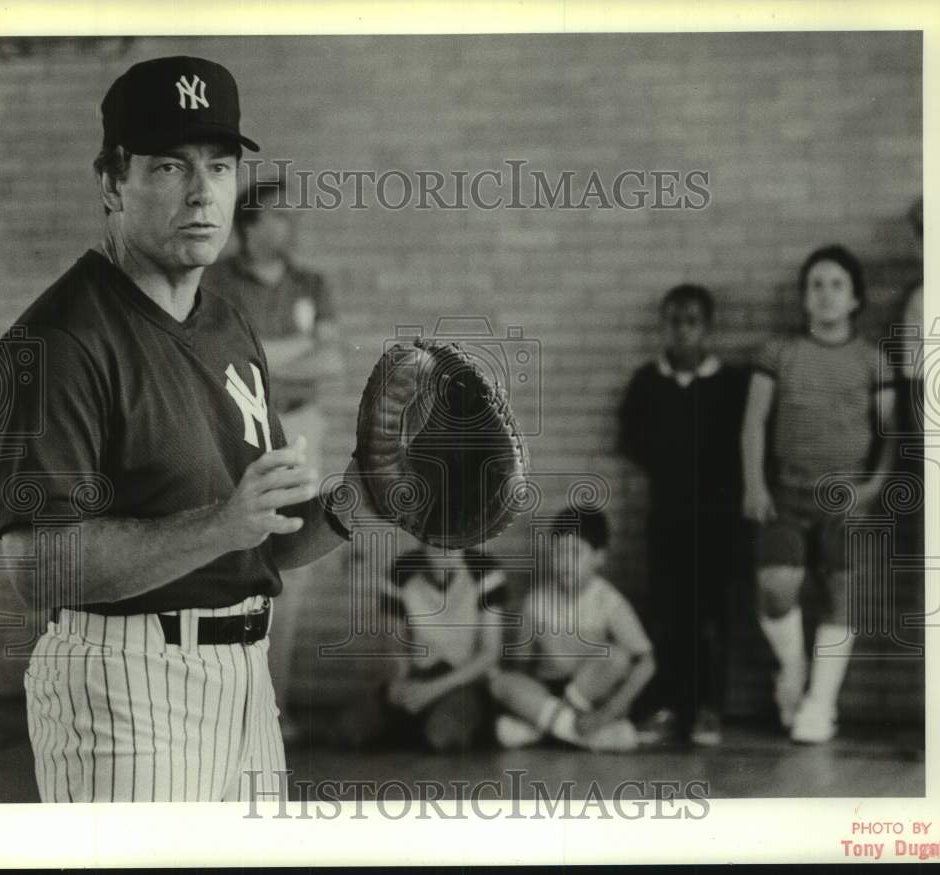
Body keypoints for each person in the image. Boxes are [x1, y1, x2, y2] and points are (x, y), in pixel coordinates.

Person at [0, 56, 360, 803]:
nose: (202, 193)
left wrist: (365, 498)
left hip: (247, 688)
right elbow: (37, 571)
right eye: (169, 166)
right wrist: (223, 522)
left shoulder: (228, 324)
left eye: (219, 167)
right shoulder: (58, 342)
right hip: (125, 688)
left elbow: (268, 541)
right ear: (110, 181)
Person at [203, 178, 344, 744]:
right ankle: (223, 710)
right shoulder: (216, 281)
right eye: (279, 216)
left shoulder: (312, 283)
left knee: (289, 567)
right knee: (230, 557)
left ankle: (272, 706)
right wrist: (290, 351)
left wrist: (258, 353)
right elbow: (215, 358)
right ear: (250, 224)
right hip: (231, 431)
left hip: (298, 429)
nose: (291, 225)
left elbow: (332, 361)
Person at [741, 244, 896, 743]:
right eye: (816, 285)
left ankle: (820, 706)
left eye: (836, 285)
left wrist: (873, 486)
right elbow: (753, 423)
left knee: (840, 594)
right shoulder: (777, 352)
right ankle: (792, 670)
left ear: (854, 299)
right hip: (785, 494)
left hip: (844, 500)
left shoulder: (873, 360)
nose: (825, 294)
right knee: (775, 587)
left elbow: (892, 431)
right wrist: (754, 483)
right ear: (804, 297)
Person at [617, 284, 747, 745]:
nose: (683, 330)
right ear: (663, 327)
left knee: (711, 615)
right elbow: (633, 442)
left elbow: (741, 447)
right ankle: (667, 706)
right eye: (675, 320)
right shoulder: (645, 383)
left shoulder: (732, 384)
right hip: (666, 518)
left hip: (717, 521)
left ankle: (708, 709)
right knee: (667, 613)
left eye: (693, 321)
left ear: (708, 328)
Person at [489, 507, 654, 751]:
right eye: (558, 553)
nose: (564, 562)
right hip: (548, 693)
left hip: (591, 695)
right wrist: (524, 697)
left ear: (599, 557)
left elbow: (647, 662)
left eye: (575, 553)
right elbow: (522, 666)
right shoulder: (535, 602)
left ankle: (547, 730)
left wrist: (608, 713)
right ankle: (580, 733)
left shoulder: (609, 601)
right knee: (500, 682)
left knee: (618, 656)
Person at [372, 544, 505, 751]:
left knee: (440, 735)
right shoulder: (402, 569)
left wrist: (433, 690)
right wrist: (398, 679)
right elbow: (394, 644)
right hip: (421, 675)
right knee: (352, 731)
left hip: (465, 682)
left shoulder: (483, 568)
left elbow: (490, 653)